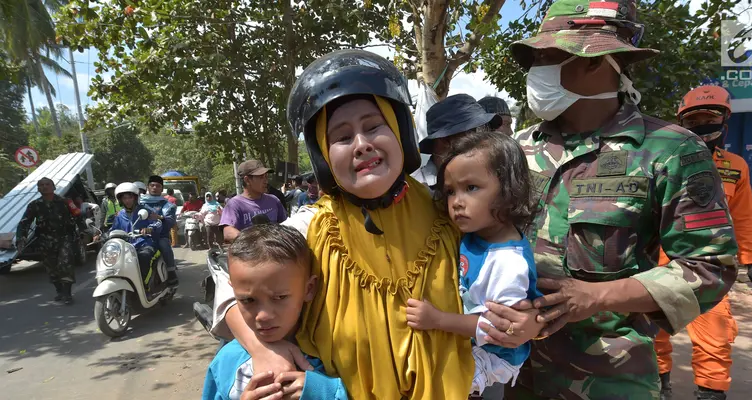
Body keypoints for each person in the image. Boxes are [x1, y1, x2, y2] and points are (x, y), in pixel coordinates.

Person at [210, 50, 544, 399]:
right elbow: (229, 287)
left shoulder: (450, 213)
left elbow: (514, 276)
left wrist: (529, 324)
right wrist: (262, 349)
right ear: (323, 157)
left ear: (400, 131)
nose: (362, 145)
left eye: (373, 126)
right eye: (341, 137)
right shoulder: (313, 228)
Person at [503, 0, 739, 398]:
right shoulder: (518, 148)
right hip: (513, 371)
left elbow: (710, 266)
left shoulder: (671, 150)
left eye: (548, 56)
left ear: (598, 60)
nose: (535, 69)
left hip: (608, 378)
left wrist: (596, 297)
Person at [406, 131, 545, 396]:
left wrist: (437, 319)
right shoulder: (474, 233)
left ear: (508, 189)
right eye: (449, 192)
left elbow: (499, 330)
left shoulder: (508, 263)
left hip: (495, 357)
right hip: (472, 341)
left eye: (471, 188)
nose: (457, 202)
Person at [655, 85, 752, 400]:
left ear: (725, 121)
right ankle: (659, 386)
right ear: (682, 124)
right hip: (658, 264)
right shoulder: (661, 161)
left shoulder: (736, 167)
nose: (703, 125)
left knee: (716, 335)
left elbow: (744, 217)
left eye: (710, 117)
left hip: (710, 266)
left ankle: (711, 392)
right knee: (653, 334)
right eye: (694, 121)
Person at [202, 224, 347, 400]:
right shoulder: (227, 362)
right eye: (248, 300)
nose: (263, 316)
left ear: (309, 289)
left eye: (279, 298)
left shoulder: (336, 352)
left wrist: (321, 391)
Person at [411, 94, 502, 191]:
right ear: (444, 139)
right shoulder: (413, 190)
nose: (484, 141)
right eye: (476, 132)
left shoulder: (492, 180)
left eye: (486, 132)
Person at [15, 178, 77, 305]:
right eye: (41, 185)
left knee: (65, 264)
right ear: (38, 189)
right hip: (45, 240)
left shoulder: (64, 202)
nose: (45, 187)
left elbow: (77, 215)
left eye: (47, 184)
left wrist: (80, 231)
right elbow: (24, 222)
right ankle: (59, 290)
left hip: (64, 238)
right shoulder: (34, 205)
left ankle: (67, 293)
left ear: (54, 187)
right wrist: (21, 238)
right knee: (52, 268)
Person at [220, 160, 287, 242]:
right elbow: (228, 233)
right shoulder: (234, 204)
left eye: (266, 176)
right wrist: (254, 241)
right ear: (247, 180)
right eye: (261, 177)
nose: (266, 181)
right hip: (249, 253)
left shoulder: (274, 200)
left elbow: (285, 225)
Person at [110, 182, 163, 282]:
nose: (127, 200)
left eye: (130, 197)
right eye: (124, 198)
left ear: (135, 198)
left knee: (144, 257)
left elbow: (158, 222)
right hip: (126, 247)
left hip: (145, 244)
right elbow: (114, 230)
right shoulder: (119, 215)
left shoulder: (145, 210)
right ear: (120, 200)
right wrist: (102, 235)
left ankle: (144, 285)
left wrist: (150, 228)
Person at [140, 175, 179, 286]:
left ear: (162, 189)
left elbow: (170, 221)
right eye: (152, 185)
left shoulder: (167, 205)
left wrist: (160, 217)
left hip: (160, 235)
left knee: (164, 244)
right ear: (148, 187)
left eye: (157, 186)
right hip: (141, 235)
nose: (154, 188)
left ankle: (171, 271)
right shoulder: (140, 203)